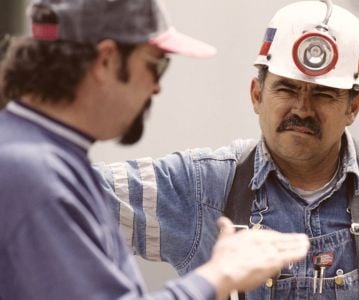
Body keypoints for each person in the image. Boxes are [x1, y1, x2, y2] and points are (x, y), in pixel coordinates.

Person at [93, 1, 359, 299]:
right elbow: (64, 197)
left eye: (323, 94)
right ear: (257, 94)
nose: (302, 109)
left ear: (352, 107)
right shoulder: (198, 187)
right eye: (286, 88)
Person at [0, 0, 311, 299]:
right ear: (106, 59)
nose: (156, 87)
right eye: (155, 64)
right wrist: (219, 275)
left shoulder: (35, 152)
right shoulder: (34, 173)